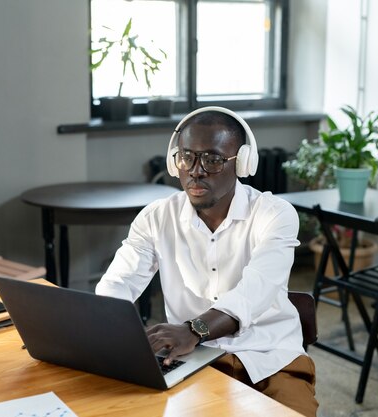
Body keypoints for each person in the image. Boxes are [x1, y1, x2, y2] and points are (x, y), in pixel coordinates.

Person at [95, 106, 318, 416]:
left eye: (213, 160)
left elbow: (255, 291)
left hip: (272, 358)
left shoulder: (275, 214)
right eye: (187, 157)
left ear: (241, 163)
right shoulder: (156, 218)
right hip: (193, 360)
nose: (196, 170)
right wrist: (103, 324)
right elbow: (120, 282)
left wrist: (193, 330)